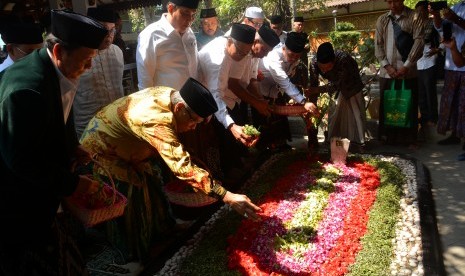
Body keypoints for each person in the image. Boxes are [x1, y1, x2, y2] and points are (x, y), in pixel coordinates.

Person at [80, 78, 262, 262]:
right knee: (133, 200)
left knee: (154, 184)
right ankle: (137, 252)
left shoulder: (171, 95)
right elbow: (182, 167)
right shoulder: (156, 121)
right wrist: (227, 196)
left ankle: (164, 229)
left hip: (130, 146)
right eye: (194, 121)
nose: (193, 128)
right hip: (103, 149)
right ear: (179, 108)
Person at [0, 9, 108, 275]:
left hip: (45, 193)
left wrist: (72, 146)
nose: (90, 67)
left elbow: (62, 116)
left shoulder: (56, 70)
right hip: (19, 203)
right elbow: (21, 160)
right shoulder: (26, 89)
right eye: (86, 59)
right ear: (59, 51)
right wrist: (73, 184)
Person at [198, 23, 259, 179]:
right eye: (239, 52)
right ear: (229, 41)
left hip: (216, 97)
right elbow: (215, 94)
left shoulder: (235, 51)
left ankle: (230, 171)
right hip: (203, 99)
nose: (241, 57)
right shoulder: (217, 58)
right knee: (216, 143)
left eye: (246, 53)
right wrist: (231, 125)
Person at [375, 0, 424, 147]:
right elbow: (378, 45)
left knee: (408, 104)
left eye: (395, 1)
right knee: (387, 105)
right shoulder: (382, 19)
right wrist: (387, 67)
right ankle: (388, 138)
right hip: (387, 73)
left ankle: (410, 139)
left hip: (407, 72)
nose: (392, 5)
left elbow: (419, 42)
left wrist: (407, 65)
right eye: (389, 2)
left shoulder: (414, 16)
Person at [257, 32, 318, 150]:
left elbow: (289, 77)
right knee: (264, 120)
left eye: (297, 56)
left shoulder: (295, 59)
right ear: (284, 48)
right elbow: (285, 82)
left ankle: (280, 145)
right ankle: (264, 150)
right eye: (291, 55)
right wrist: (303, 101)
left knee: (280, 119)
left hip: (274, 90)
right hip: (259, 90)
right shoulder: (274, 58)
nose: (294, 59)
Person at [73, 7, 125, 139]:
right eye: (103, 29)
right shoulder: (76, 55)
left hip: (117, 124)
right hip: (88, 128)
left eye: (112, 30)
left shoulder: (117, 52)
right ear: (89, 28)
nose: (109, 35)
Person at [308, 42, 367, 152]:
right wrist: (312, 104)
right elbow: (313, 85)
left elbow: (337, 84)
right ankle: (337, 144)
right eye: (322, 68)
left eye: (328, 67)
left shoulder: (344, 59)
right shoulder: (314, 63)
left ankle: (357, 144)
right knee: (335, 115)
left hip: (352, 86)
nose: (324, 71)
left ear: (334, 61)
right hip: (336, 88)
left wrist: (318, 90)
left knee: (355, 115)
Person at [136, 0, 199, 90]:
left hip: (192, 99)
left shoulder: (190, 34)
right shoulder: (151, 34)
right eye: (185, 13)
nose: (190, 19)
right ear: (170, 8)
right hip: (167, 102)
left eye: (193, 15)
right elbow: (145, 80)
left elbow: (194, 67)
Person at [430, 2, 465, 150]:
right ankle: (455, 135)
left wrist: (456, 19)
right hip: (452, 63)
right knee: (451, 103)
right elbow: (440, 27)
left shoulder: (455, 12)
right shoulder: (456, 6)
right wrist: (436, 14)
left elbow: (457, 22)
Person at [416, 0, 440, 136]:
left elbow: (444, 39)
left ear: (427, 10)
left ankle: (433, 118)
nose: (419, 14)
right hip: (418, 63)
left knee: (430, 90)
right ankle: (424, 117)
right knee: (421, 93)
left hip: (430, 61)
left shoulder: (434, 23)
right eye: (417, 12)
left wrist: (437, 50)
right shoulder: (415, 25)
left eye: (422, 11)